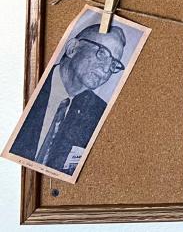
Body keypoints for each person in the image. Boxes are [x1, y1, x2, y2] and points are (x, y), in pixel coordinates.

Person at [10, 23, 128, 175]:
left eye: (113, 64)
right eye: (102, 54)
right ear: (72, 48)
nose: (106, 70)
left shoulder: (98, 112)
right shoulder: (24, 83)